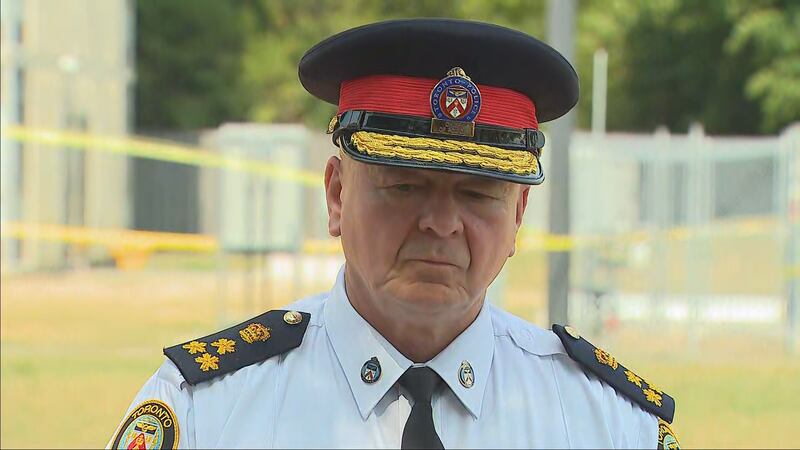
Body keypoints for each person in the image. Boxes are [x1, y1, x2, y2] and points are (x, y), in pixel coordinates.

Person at [108, 18, 680, 449]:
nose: (442, 222)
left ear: (518, 215)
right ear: (337, 194)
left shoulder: (608, 424)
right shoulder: (208, 412)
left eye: (478, 194)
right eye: (405, 186)